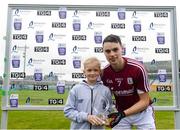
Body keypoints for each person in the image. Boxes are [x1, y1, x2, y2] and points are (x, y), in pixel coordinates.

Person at [101, 34, 156, 129]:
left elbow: (144, 101)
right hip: (121, 113)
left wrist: (123, 114)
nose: (112, 54)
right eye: (108, 51)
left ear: (122, 48)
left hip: (142, 113)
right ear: (103, 52)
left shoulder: (137, 69)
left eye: (115, 49)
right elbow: (105, 98)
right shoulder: (105, 72)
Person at [64, 57, 112, 130]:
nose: (92, 73)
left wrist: (103, 117)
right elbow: (68, 111)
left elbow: (108, 109)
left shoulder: (105, 90)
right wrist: (86, 117)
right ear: (84, 72)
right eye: (89, 70)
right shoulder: (76, 89)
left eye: (95, 70)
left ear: (99, 72)